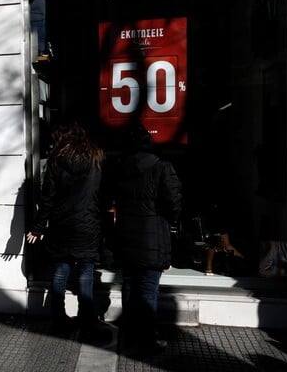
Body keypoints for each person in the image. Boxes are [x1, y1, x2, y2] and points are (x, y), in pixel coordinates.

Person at [26, 122, 108, 343]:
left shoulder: (56, 161)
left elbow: (48, 197)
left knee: (60, 273)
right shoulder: (96, 159)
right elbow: (103, 193)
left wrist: (39, 226)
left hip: (62, 224)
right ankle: (87, 320)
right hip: (87, 225)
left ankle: (59, 320)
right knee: (85, 275)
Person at [106, 124, 182, 356]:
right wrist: (168, 219)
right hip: (152, 237)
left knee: (129, 286)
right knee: (148, 289)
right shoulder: (161, 168)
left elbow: (110, 200)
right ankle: (147, 339)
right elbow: (174, 203)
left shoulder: (119, 168)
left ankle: (128, 335)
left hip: (127, 234)